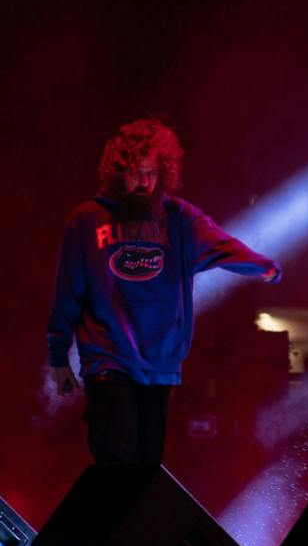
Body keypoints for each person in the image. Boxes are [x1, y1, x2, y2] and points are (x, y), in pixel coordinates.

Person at [47, 117, 281, 465]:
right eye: (134, 172)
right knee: (117, 452)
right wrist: (58, 358)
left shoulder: (179, 218)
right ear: (116, 171)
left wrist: (260, 265)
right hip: (107, 358)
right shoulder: (87, 220)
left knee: (147, 461)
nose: (143, 182)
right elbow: (67, 292)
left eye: (151, 173)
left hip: (160, 362)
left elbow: (222, 244)